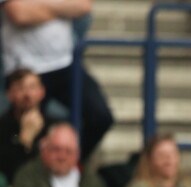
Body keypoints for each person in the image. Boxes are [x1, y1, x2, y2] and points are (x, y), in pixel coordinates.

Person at [1, 0, 114, 160]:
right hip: (24, 67)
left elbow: (83, 6)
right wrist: (59, 10)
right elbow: (20, 14)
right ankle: (30, 175)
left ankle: (70, 166)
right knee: (27, 128)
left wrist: (37, 8)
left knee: (101, 117)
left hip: (63, 63)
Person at [0, 68, 48, 184]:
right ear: (10, 94)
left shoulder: (55, 127)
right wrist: (24, 140)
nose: (27, 94)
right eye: (20, 88)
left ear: (42, 92)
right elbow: (7, 172)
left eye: (32, 87)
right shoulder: (2, 127)